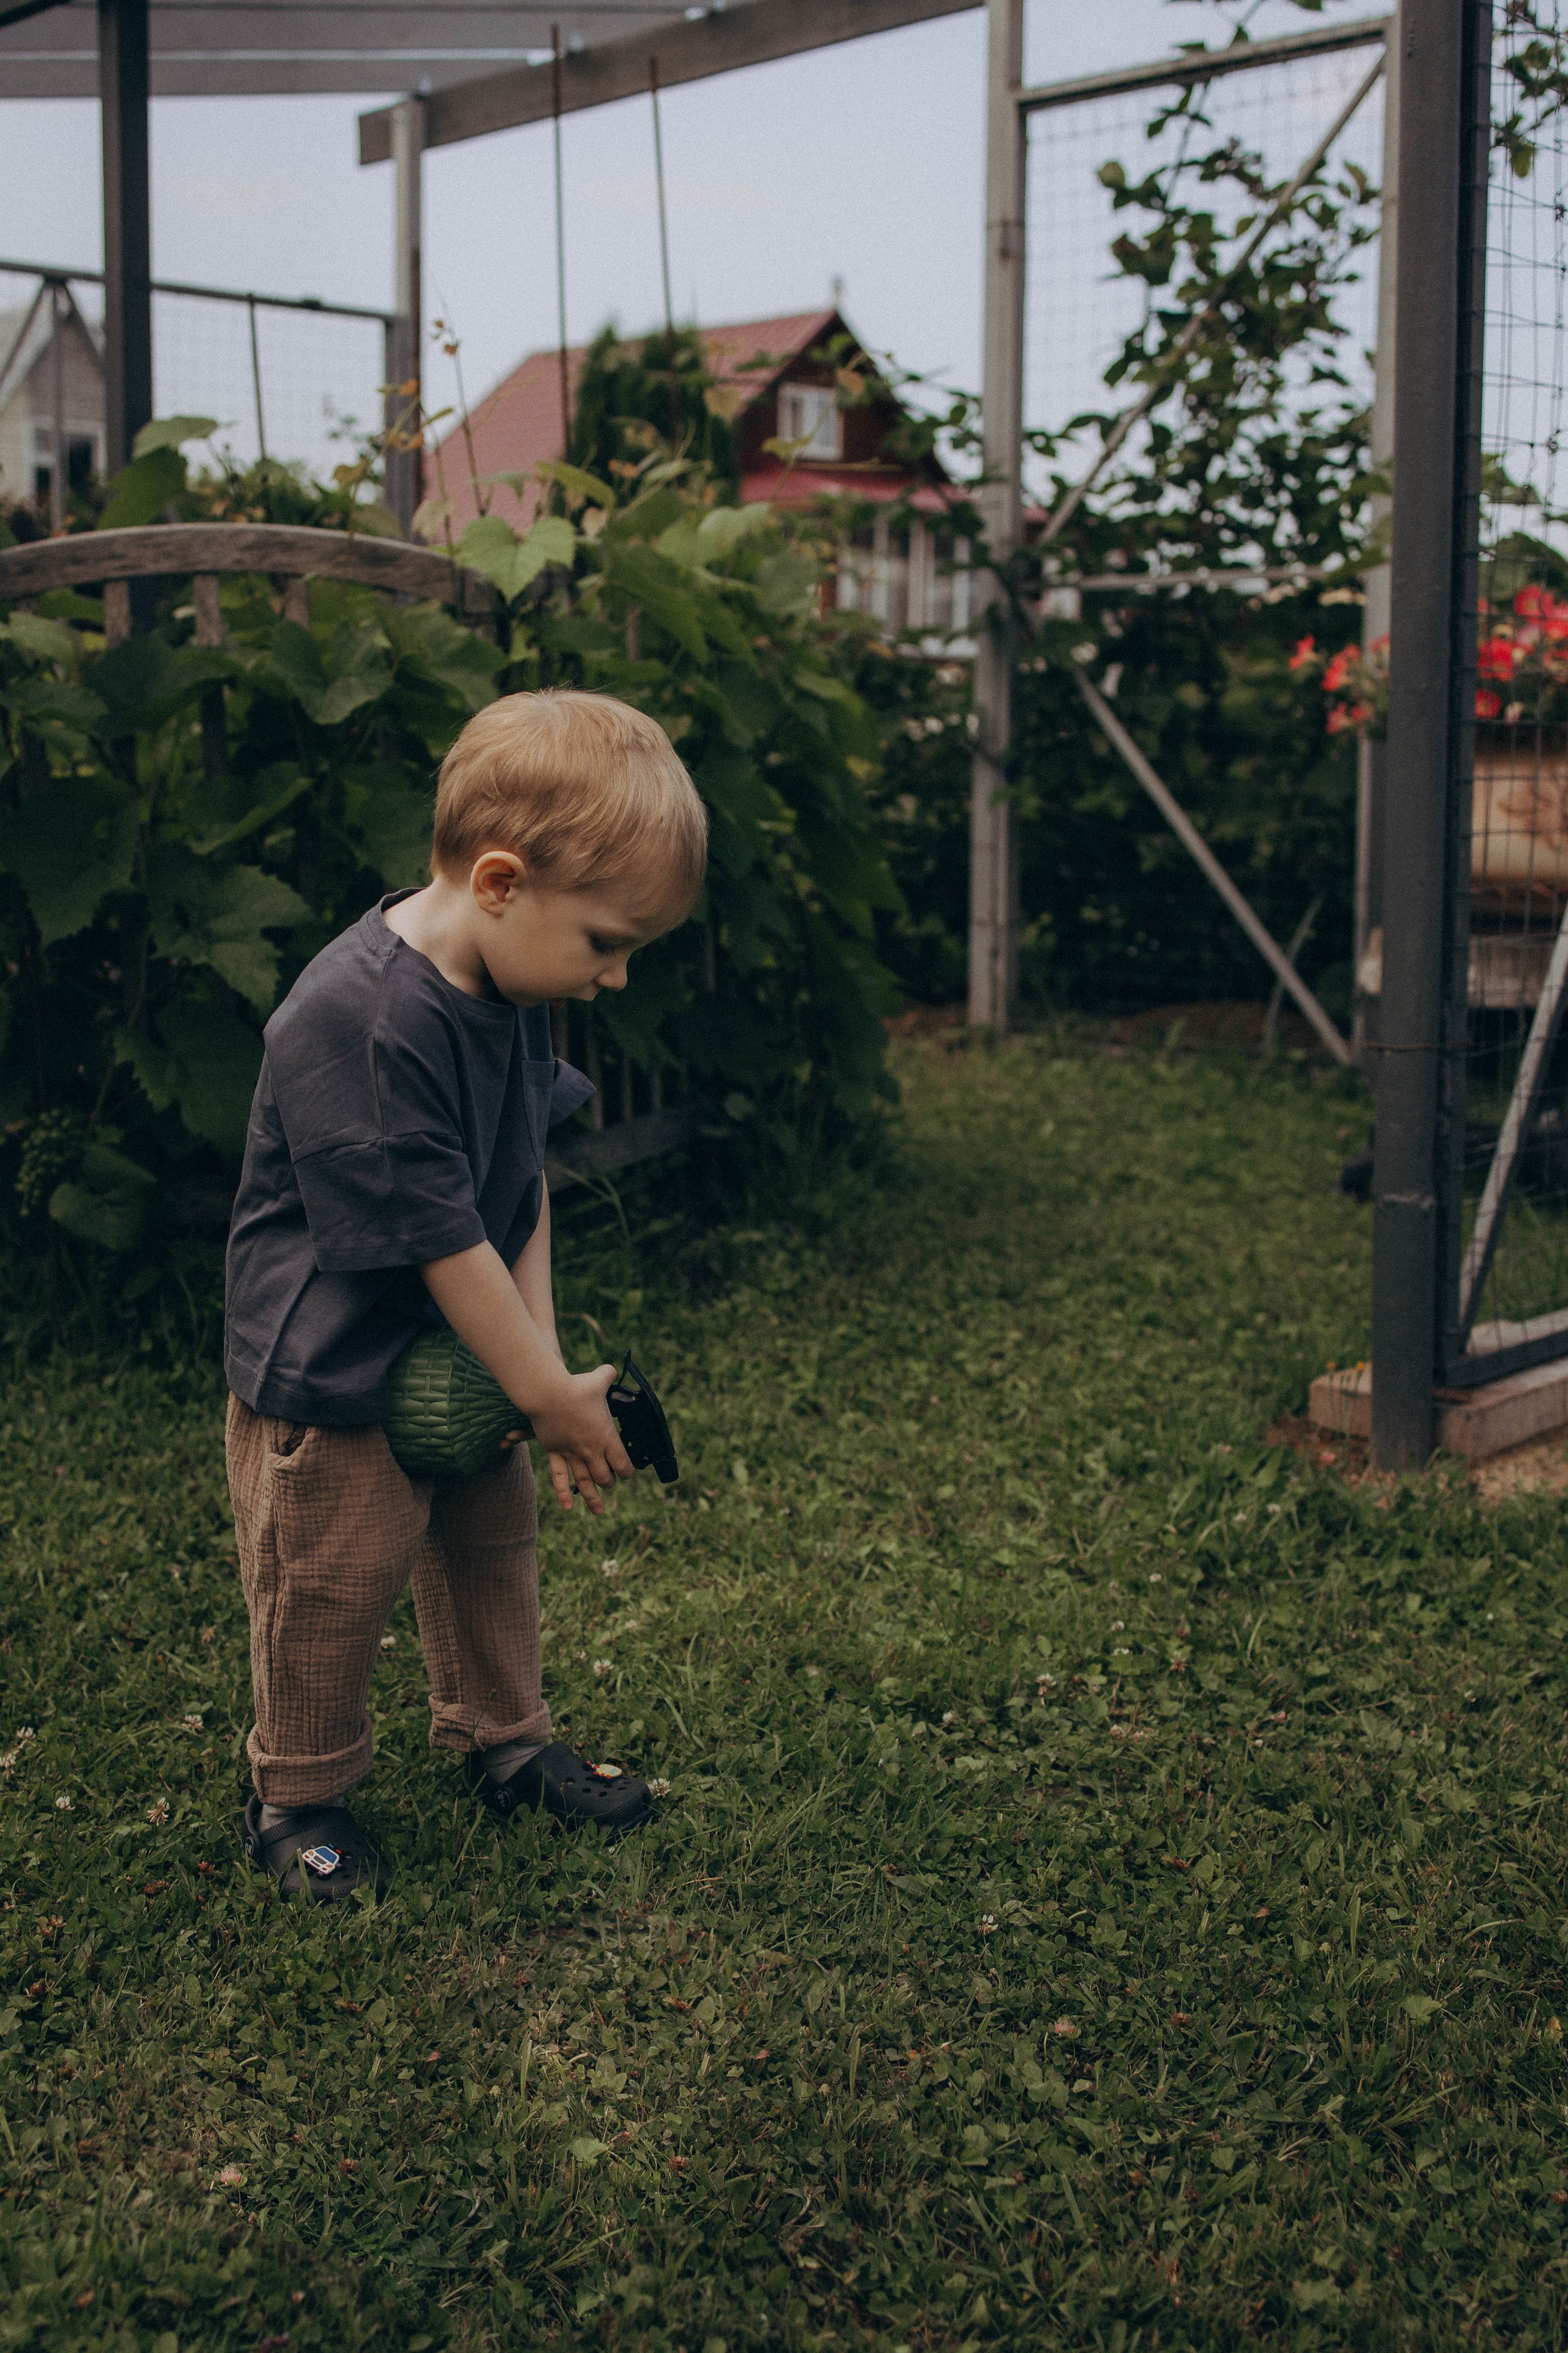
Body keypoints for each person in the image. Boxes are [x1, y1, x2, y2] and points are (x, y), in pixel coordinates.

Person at [222, 689, 707, 1902]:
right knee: (333, 1582)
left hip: (460, 1349)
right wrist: (541, 1390)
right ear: (500, 881)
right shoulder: (363, 1022)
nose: (613, 976)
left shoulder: (509, 982)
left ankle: (507, 1740)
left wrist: (533, 1367)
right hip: (334, 1367)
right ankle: (298, 1794)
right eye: (604, 941)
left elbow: (517, 1179)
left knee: (491, 1543)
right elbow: (440, 1239)